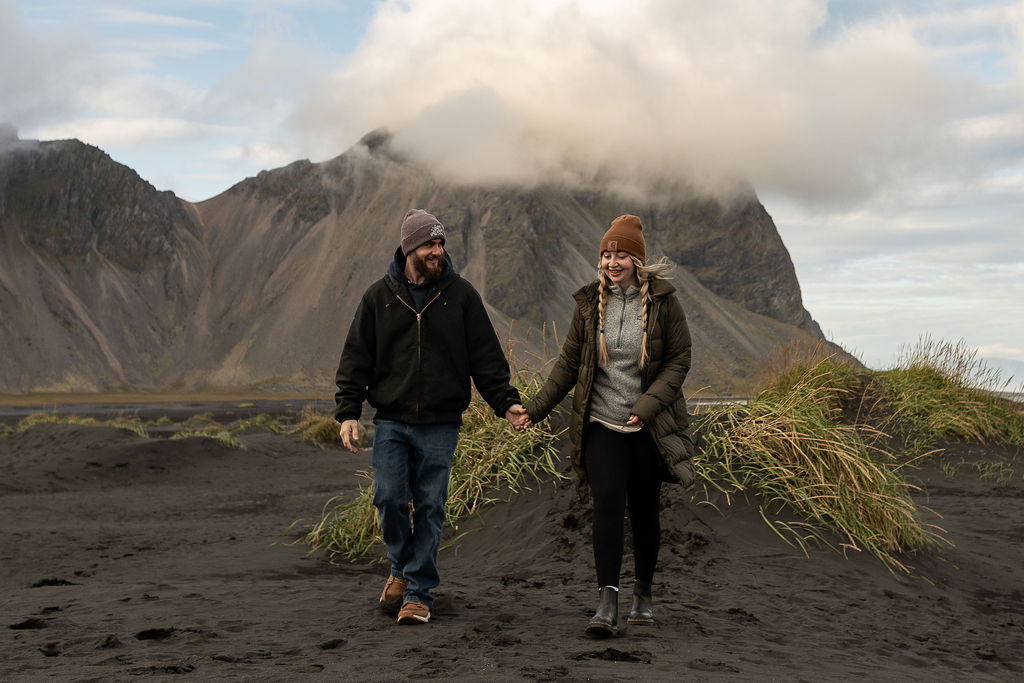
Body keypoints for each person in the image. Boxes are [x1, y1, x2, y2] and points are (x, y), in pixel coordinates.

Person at [334, 208, 528, 625]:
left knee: (430, 506)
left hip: (440, 423)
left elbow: (486, 357)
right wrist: (349, 412)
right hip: (391, 420)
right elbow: (356, 359)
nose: (437, 251)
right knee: (388, 498)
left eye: (440, 244)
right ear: (409, 249)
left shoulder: (461, 295)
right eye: (429, 244)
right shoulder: (378, 297)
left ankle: (418, 593)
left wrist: (505, 402)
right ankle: (401, 570)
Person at [515, 214, 696, 636]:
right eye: (606, 255)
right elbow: (567, 365)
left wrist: (648, 405)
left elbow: (680, 360)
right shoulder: (588, 304)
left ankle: (643, 597)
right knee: (608, 503)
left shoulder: (665, 303)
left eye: (621, 255)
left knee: (646, 512)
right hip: (600, 423)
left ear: (637, 259)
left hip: (648, 427)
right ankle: (606, 602)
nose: (612, 262)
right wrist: (535, 409)